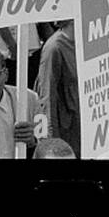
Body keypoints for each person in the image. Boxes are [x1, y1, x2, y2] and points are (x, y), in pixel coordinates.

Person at [35, 19, 80, 156]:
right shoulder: (54, 48)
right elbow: (45, 98)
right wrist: (47, 141)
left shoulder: (87, 42)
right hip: (65, 131)